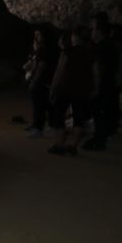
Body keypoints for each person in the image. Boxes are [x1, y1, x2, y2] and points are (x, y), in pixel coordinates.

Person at [47, 26, 94, 156]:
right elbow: (93, 72)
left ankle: (59, 144)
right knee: (79, 118)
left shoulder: (67, 52)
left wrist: (53, 89)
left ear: (75, 37)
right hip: (82, 90)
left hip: (65, 89)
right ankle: (73, 146)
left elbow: (59, 72)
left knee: (58, 116)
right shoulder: (89, 53)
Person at [83, 18, 120, 151]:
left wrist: (95, 88)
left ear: (98, 31)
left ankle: (99, 141)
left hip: (102, 86)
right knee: (103, 113)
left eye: (93, 29)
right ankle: (101, 137)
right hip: (109, 84)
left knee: (98, 113)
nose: (91, 32)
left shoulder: (101, 47)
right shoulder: (111, 45)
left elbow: (98, 68)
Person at [23, 28, 55, 138]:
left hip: (41, 80)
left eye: (38, 35)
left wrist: (35, 81)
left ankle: (38, 128)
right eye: (35, 34)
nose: (36, 37)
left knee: (40, 105)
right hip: (40, 79)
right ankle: (38, 125)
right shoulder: (39, 49)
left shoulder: (44, 50)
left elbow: (41, 67)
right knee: (41, 104)